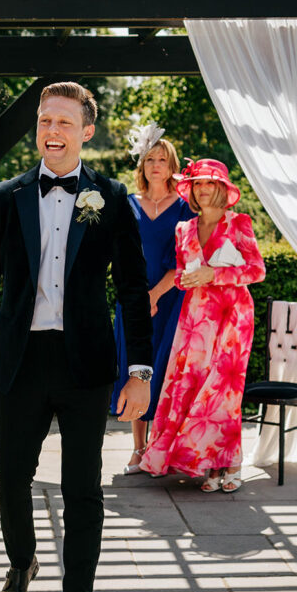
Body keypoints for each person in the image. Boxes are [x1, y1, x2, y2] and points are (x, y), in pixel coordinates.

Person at [0, 81, 153, 592]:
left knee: (84, 490)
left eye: (64, 122)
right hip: (22, 359)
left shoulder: (112, 198)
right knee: (11, 475)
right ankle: (21, 562)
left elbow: (135, 292)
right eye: (44, 121)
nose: (51, 132)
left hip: (86, 366)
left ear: (87, 130)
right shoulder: (7, 197)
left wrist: (139, 370)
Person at [138, 158, 266, 493]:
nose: (204, 189)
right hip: (195, 319)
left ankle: (233, 463)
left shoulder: (240, 223)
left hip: (233, 318)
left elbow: (256, 271)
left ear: (223, 188)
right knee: (194, 386)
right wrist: (188, 278)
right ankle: (209, 465)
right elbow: (181, 276)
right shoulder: (183, 229)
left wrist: (216, 274)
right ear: (191, 190)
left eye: (210, 183)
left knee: (223, 393)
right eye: (198, 184)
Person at [112, 128, 195, 475]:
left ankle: (163, 450)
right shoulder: (125, 204)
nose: (156, 165)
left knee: (164, 369)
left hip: (171, 300)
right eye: (150, 159)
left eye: (163, 160)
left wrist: (155, 295)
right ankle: (137, 448)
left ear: (173, 167)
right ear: (142, 166)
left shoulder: (185, 209)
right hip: (131, 302)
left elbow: (184, 260)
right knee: (134, 366)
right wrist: (138, 298)